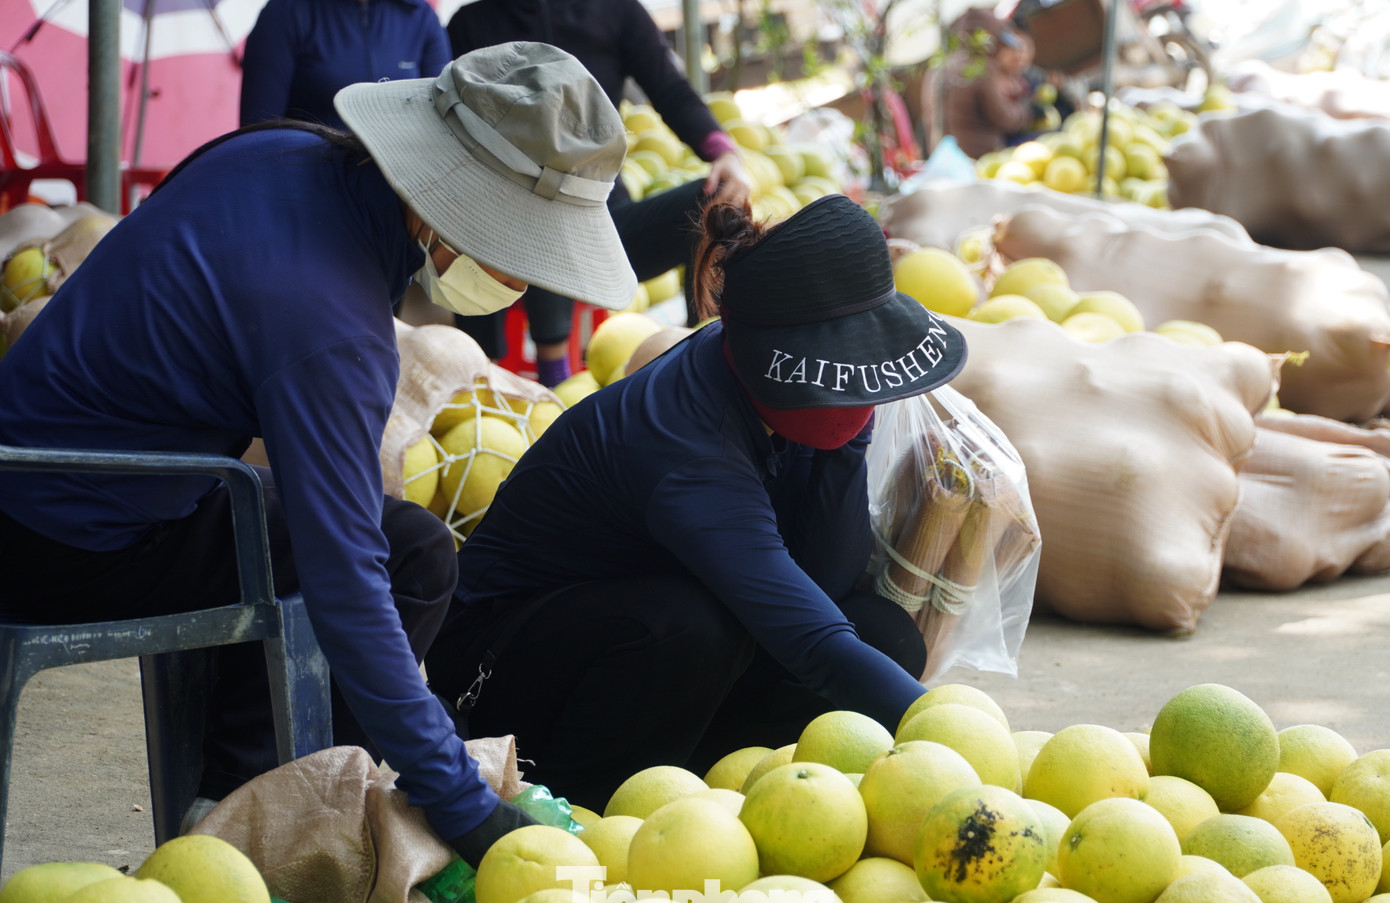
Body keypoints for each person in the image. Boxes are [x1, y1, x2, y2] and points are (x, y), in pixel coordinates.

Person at [0, 42, 636, 865]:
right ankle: (257, 828)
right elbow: (348, 582)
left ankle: (223, 791)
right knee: (409, 559)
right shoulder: (330, 325)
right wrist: (463, 805)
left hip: (44, 470)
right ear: (448, 208)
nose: (522, 277)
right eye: (521, 249)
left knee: (328, 532)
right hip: (63, 538)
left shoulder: (278, 149)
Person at [424, 193, 969, 809]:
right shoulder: (687, 449)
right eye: (847, 367)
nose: (860, 386)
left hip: (634, 637)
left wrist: (847, 440)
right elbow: (813, 642)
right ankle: (578, 802)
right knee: (690, 629)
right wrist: (965, 746)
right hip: (498, 667)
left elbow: (827, 581)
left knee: (882, 636)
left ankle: (694, 772)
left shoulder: (772, 392)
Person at [446, 0, 753, 386]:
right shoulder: (471, 24)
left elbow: (670, 88)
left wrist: (723, 152)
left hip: (604, 226)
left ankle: (701, 354)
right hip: (501, 233)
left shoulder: (615, 11)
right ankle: (538, 382)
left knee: (719, 200)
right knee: (540, 201)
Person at [239, 0, 451, 128]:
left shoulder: (420, 16)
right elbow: (257, 130)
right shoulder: (286, 12)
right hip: (310, 180)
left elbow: (443, 120)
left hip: (400, 185)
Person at [921, 11, 1038, 159]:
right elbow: (1003, 118)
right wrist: (1028, 112)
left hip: (944, 157)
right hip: (978, 158)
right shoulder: (981, 67)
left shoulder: (937, 68)